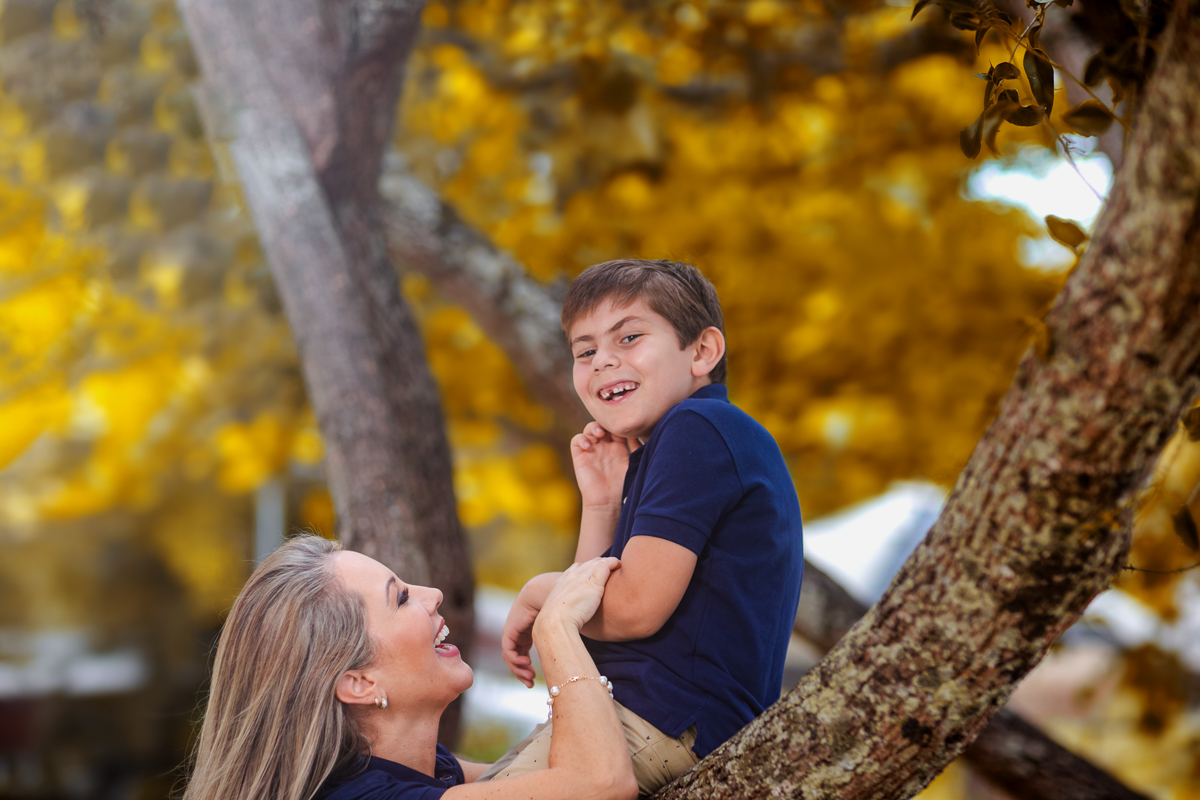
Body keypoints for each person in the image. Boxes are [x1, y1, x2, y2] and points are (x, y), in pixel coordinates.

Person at [490, 259, 804, 795]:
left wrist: (541, 593)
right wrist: (603, 505)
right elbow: (597, 599)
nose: (603, 361)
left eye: (629, 337)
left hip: (665, 717)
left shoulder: (699, 427)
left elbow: (631, 608)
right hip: (633, 717)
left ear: (702, 352)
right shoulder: (670, 448)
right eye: (585, 351)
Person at [180, 534, 637, 800]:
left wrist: (600, 504)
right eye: (400, 597)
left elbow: (558, 767)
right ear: (358, 682)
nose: (433, 593)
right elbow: (601, 782)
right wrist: (556, 628)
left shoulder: (409, 769)